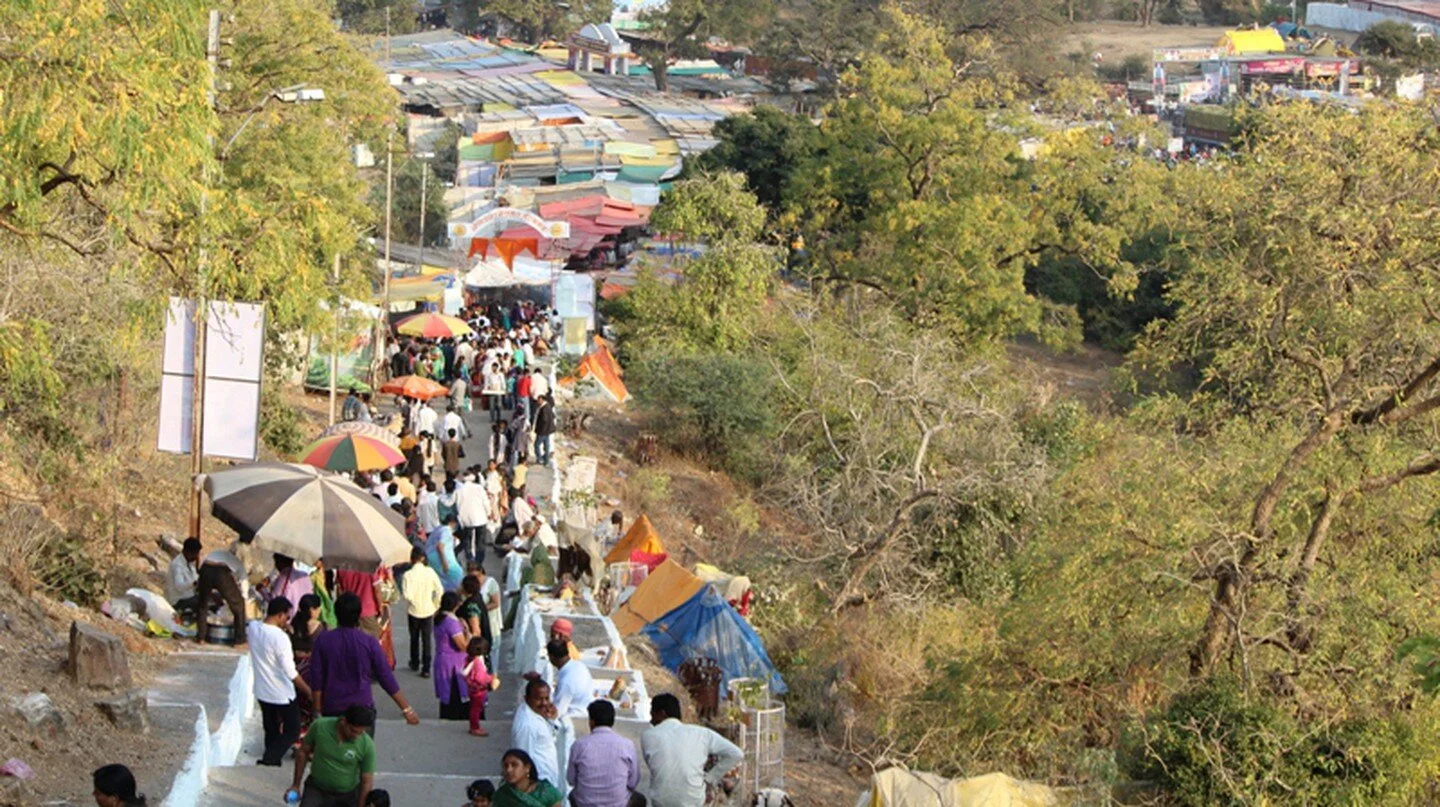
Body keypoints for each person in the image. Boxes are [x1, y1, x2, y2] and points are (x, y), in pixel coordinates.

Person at [306, 593, 420, 729]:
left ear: (336, 613)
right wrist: (406, 709)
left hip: (332, 708)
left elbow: (316, 679)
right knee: (362, 749)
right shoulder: (369, 642)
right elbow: (385, 677)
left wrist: (317, 711)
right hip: (362, 709)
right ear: (359, 614)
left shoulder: (323, 640)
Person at [641, 693, 743, 807]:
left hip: (661, 802)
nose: (651, 720)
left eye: (652, 715)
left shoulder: (648, 736)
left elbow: (656, 767)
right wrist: (709, 779)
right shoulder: (702, 733)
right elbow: (736, 753)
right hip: (693, 802)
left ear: (662, 714)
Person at [249, 596, 314, 767]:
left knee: (271, 728)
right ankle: (269, 759)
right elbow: (291, 672)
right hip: (281, 692)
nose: (288, 621)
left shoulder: (254, 628)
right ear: (279, 615)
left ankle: (271, 761)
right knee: (292, 731)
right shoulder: (280, 638)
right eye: (286, 617)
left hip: (262, 690)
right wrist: (308, 691)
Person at [287, 705, 377, 807]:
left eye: (361, 733)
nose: (356, 736)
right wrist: (296, 785)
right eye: (353, 731)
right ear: (343, 721)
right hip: (317, 790)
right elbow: (303, 752)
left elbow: (367, 780)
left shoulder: (367, 744)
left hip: (348, 795)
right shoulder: (320, 726)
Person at [567, 700, 640, 807]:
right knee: (639, 799)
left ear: (591, 721)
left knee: (572, 795)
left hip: (585, 804)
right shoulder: (627, 745)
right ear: (613, 720)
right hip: (618, 804)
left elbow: (571, 780)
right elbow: (633, 782)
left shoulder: (579, 745)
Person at [510, 680, 562, 791]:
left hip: (546, 783)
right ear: (527, 698)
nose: (544, 703)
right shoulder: (527, 724)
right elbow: (522, 758)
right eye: (538, 699)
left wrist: (551, 719)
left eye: (547, 698)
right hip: (537, 787)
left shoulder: (536, 714)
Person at [401, 548, 443, 678]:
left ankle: (414, 662)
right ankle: (426, 668)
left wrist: (414, 601)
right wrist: (436, 605)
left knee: (414, 638)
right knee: (426, 639)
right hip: (428, 610)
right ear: (423, 558)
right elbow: (439, 590)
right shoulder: (430, 572)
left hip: (413, 611)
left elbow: (407, 595)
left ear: (412, 559)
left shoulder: (407, 575)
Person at [195, 544, 248, 647]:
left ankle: (200, 637)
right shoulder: (239, 564)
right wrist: (244, 597)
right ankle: (240, 640)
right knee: (239, 605)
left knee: (203, 605)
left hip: (205, 568)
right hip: (221, 572)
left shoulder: (218, 552)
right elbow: (244, 582)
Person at [493, 748, 563, 807]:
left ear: (527, 768)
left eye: (514, 765)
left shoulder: (546, 791)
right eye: (506, 766)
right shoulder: (502, 795)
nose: (509, 770)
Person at [546, 638, 595, 718]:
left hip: (575, 718)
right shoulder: (579, 665)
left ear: (551, 657)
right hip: (587, 711)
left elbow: (557, 712)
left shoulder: (566, 682)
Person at [463, 635, 497, 737]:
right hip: (478, 690)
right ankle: (475, 727)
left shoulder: (470, 659)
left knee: (474, 707)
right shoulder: (478, 663)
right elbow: (480, 677)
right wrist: (491, 678)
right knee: (476, 709)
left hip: (471, 688)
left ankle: (473, 725)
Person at [261, 553, 312, 620]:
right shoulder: (304, 575)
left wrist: (262, 589)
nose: (276, 566)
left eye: (276, 562)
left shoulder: (284, 576)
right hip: (304, 617)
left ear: (280, 562)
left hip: (288, 619)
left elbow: (275, 600)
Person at [456, 473, 489, 564]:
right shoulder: (479, 488)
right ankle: (479, 560)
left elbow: (458, 505)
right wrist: (488, 512)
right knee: (480, 541)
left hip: (467, 519)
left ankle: (469, 558)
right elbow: (485, 502)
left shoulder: (459, 490)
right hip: (480, 518)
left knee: (467, 540)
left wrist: (461, 518)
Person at [425, 515, 465, 592]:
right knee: (457, 574)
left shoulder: (439, 528)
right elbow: (440, 546)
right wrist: (444, 562)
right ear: (453, 523)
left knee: (442, 578)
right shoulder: (447, 530)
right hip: (439, 557)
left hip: (431, 556)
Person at [166, 537, 202, 616]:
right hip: (178, 601)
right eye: (195, 554)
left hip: (188, 597)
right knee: (201, 604)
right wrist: (194, 583)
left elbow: (196, 578)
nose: (196, 557)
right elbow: (179, 586)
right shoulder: (177, 565)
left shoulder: (189, 564)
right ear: (188, 552)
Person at [533, 395, 556, 467]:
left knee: (536, 445)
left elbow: (544, 420)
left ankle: (540, 458)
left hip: (543, 431)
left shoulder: (544, 408)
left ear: (542, 399)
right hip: (548, 430)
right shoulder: (548, 406)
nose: (538, 401)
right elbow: (553, 416)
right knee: (546, 446)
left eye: (539, 399)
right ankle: (546, 460)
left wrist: (541, 430)